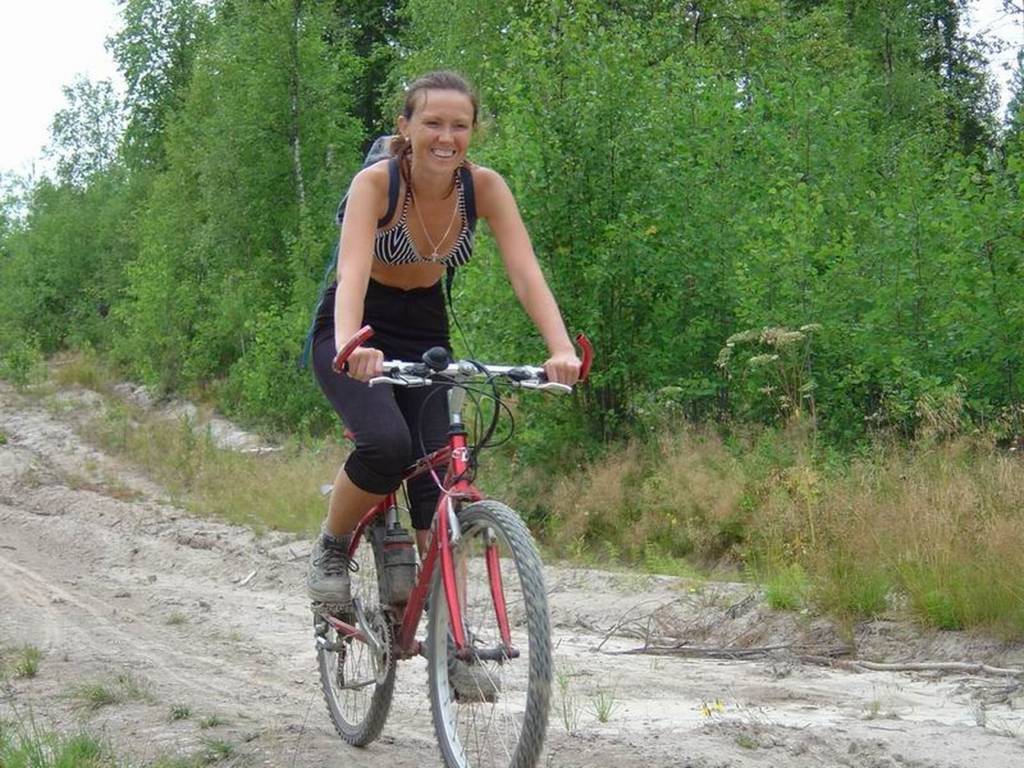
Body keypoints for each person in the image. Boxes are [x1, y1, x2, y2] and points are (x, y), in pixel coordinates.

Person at [307, 70, 581, 607]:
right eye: (432, 122)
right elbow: (352, 273)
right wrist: (350, 345)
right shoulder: (376, 184)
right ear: (405, 127)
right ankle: (332, 547)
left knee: (440, 479)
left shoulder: (484, 188)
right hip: (357, 322)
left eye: (460, 125)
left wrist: (561, 348)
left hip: (425, 329)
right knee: (387, 445)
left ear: (474, 130)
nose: (446, 137)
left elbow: (525, 274)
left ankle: (449, 633)